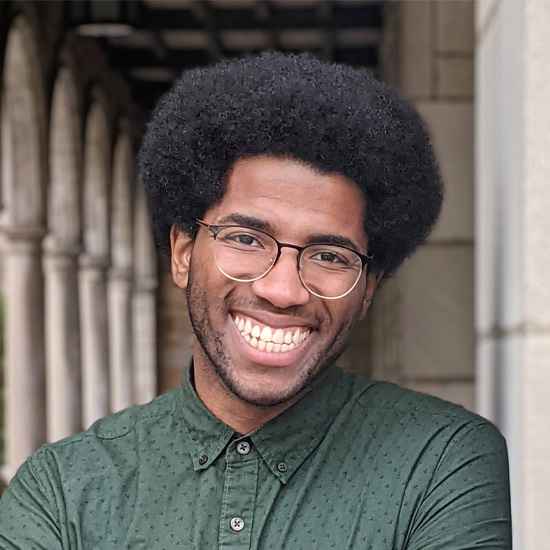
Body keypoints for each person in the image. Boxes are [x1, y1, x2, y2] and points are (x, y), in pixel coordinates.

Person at [0, 52, 511, 549]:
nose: (283, 290)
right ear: (183, 253)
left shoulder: (440, 461)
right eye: (246, 240)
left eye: (330, 256)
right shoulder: (63, 490)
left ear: (367, 288)